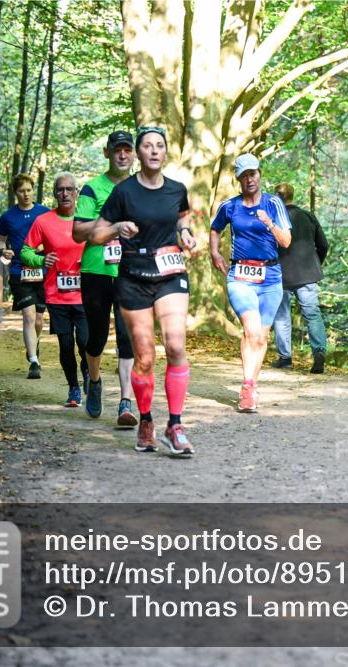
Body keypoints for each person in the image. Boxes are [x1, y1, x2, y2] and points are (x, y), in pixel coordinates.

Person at [88, 127, 198, 456]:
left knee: (176, 344)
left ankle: (175, 425)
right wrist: (117, 228)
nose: (153, 151)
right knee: (146, 358)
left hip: (169, 273)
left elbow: (181, 219)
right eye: (147, 146)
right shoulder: (124, 193)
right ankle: (147, 420)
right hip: (133, 276)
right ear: (138, 153)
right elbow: (94, 235)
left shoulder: (177, 190)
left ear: (166, 153)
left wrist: (187, 233)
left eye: (159, 146)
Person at [210, 153, 292, 413]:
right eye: (244, 176)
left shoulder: (274, 204)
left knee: (262, 336)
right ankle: (247, 387)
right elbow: (215, 229)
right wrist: (215, 253)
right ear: (238, 179)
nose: (249, 179)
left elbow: (286, 241)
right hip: (241, 277)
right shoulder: (230, 206)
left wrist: (269, 224)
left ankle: (251, 385)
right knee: (252, 331)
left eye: (253, 174)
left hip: (270, 278)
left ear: (259, 174)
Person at [71, 131, 138, 426]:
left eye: (127, 150)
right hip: (96, 271)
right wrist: (112, 225)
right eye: (117, 150)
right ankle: (95, 381)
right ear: (106, 153)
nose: (122, 155)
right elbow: (77, 232)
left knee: (128, 337)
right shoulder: (91, 189)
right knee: (95, 338)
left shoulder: (142, 188)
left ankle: (126, 401)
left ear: (134, 154)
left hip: (131, 272)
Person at [20, 173, 90, 408]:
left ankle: (89, 371)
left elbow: (104, 245)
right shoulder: (44, 221)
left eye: (70, 189)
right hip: (56, 294)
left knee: (85, 341)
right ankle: (73, 388)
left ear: (77, 193)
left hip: (85, 293)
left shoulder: (87, 219)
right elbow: (25, 251)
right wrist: (41, 260)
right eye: (60, 190)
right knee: (66, 344)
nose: (65, 194)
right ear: (54, 194)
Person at [270, 183, 329, 373]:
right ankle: (319, 350)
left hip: (281, 274)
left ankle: (285, 358)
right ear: (292, 196)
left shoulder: (272, 219)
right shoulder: (307, 216)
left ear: (277, 197)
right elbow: (324, 244)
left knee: (281, 316)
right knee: (312, 314)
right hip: (307, 273)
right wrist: (315, 263)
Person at [0, 173, 51, 379]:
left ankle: (34, 346)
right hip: (20, 271)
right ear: (16, 193)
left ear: (33, 190)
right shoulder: (8, 217)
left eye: (28, 190)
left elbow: (54, 236)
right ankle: (34, 361)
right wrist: (4, 251)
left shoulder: (44, 212)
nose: (26, 194)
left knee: (38, 318)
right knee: (28, 316)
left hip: (43, 270)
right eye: (21, 191)